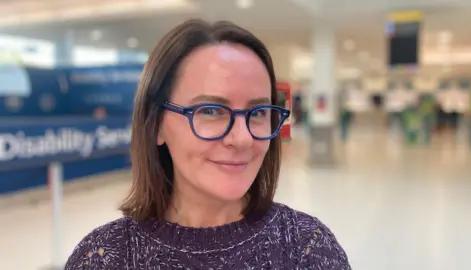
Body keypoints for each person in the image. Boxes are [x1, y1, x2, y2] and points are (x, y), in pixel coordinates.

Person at [65, 19, 351, 269]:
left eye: (259, 112)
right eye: (211, 111)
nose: (242, 138)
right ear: (156, 125)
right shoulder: (105, 258)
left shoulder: (307, 249)